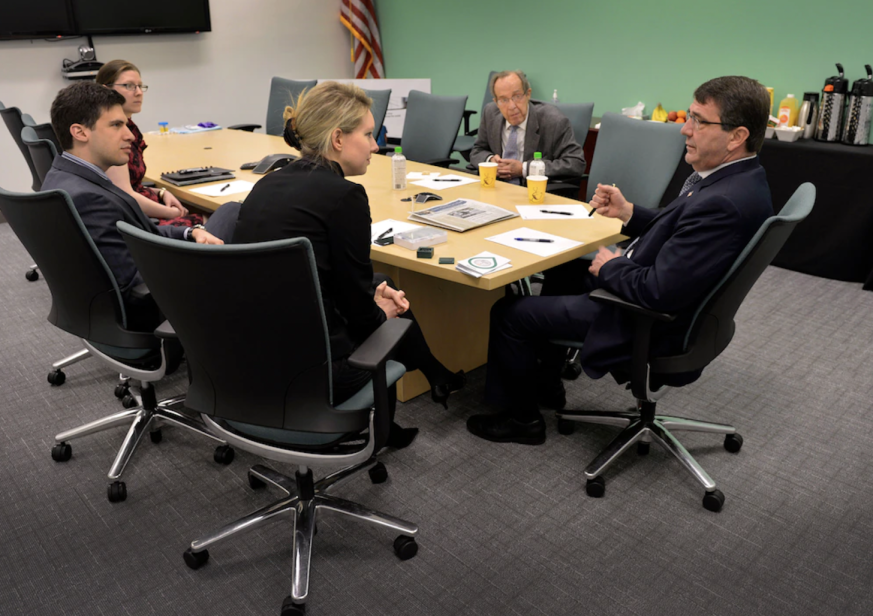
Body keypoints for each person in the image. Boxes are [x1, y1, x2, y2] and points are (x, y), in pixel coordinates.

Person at [467, 76, 775, 445]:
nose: (684, 130)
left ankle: (521, 421)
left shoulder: (722, 203)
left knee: (509, 314)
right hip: (664, 296)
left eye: (698, 121)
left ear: (736, 136)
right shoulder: (736, 181)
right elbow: (680, 229)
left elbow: (658, 292)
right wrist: (629, 212)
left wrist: (611, 267)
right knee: (562, 269)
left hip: (643, 318)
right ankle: (546, 385)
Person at [232, 81, 465, 442]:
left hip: (248, 358)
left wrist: (374, 295)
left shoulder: (267, 184)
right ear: (338, 139)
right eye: (369, 135)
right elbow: (358, 311)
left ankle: (434, 379)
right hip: (317, 371)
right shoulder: (344, 197)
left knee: (381, 281)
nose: (376, 146)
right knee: (386, 315)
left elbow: (329, 280)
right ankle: (389, 425)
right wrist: (381, 312)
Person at [41, 82, 239, 331]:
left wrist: (189, 233)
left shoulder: (66, 176)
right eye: (116, 125)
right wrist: (197, 262)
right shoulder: (89, 198)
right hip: (154, 307)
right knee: (236, 218)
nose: (130, 136)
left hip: (134, 285)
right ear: (80, 132)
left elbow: (141, 234)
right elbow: (135, 284)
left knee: (228, 214)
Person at [95, 59, 201, 227]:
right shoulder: (112, 134)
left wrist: (161, 193)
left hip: (142, 207)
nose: (138, 93)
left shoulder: (130, 127)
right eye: (129, 86)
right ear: (106, 90)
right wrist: (172, 212)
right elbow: (125, 194)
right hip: (139, 222)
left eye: (140, 86)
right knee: (224, 215)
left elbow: (133, 186)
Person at [469, 70, 585, 184]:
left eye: (517, 96)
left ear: (528, 94)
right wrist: (490, 161)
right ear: (496, 102)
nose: (512, 106)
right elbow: (477, 150)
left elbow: (575, 163)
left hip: (533, 193)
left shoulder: (554, 121)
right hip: (497, 188)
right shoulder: (490, 113)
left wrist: (524, 169)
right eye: (504, 100)